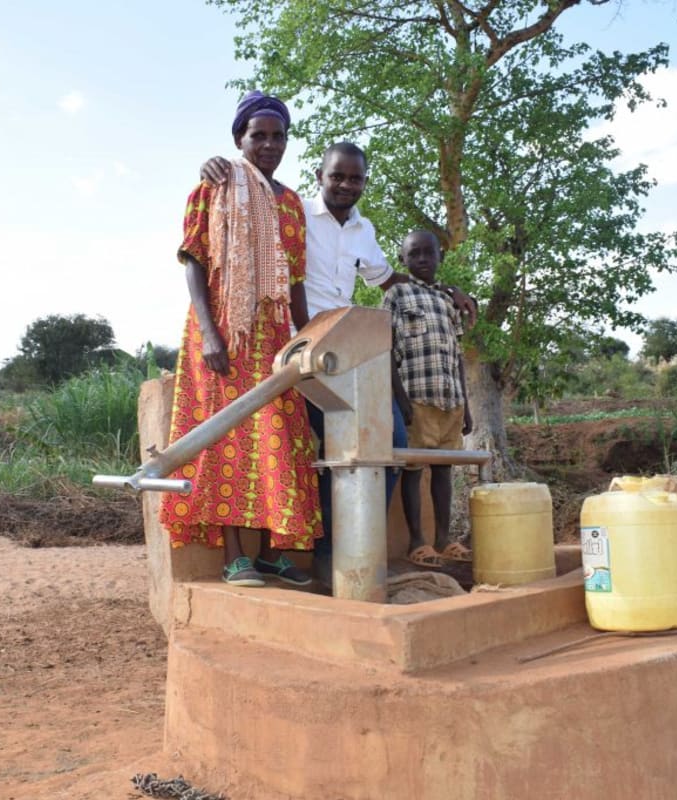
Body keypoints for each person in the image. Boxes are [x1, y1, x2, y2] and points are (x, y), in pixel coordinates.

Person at [202, 143, 476, 583]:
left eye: (356, 179)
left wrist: (448, 291)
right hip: (296, 349)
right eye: (338, 177)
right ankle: (326, 556)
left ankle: (344, 545)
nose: (347, 186)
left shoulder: (364, 231)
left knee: (389, 445)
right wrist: (212, 167)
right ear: (319, 175)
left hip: (346, 349)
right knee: (328, 448)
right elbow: (247, 191)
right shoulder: (292, 210)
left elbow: (389, 278)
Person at [160, 90, 321, 588]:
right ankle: (234, 557)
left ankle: (272, 551)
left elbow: (294, 280)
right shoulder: (214, 186)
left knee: (280, 439)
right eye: (259, 136)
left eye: (279, 136)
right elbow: (194, 261)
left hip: (273, 336)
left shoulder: (292, 204)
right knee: (226, 439)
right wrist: (211, 334)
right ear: (239, 139)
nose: (270, 145)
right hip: (224, 332)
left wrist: (308, 339)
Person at [385, 229, 473, 567]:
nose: (422, 260)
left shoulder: (449, 300)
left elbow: (458, 355)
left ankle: (444, 538)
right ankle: (418, 542)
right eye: (414, 254)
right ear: (402, 260)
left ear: (441, 257)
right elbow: (387, 349)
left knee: (443, 469)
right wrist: (401, 399)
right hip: (416, 398)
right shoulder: (397, 295)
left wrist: (465, 404)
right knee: (413, 468)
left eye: (428, 253)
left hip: (450, 400)